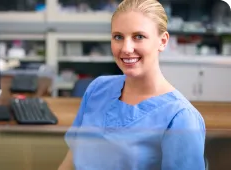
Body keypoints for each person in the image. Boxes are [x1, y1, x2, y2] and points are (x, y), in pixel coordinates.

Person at [58, 0, 206, 169]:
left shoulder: (180, 118)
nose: (126, 48)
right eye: (118, 37)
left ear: (162, 41)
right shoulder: (97, 89)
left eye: (139, 37)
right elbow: (71, 160)